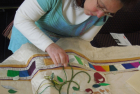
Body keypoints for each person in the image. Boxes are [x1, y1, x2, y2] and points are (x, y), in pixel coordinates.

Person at [8, 0, 138, 67]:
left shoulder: (103, 14)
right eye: (100, 6)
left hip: (59, 48)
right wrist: (50, 46)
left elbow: (83, 41)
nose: (100, 15)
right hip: (29, 38)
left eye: (108, 12)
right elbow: (22, 18)